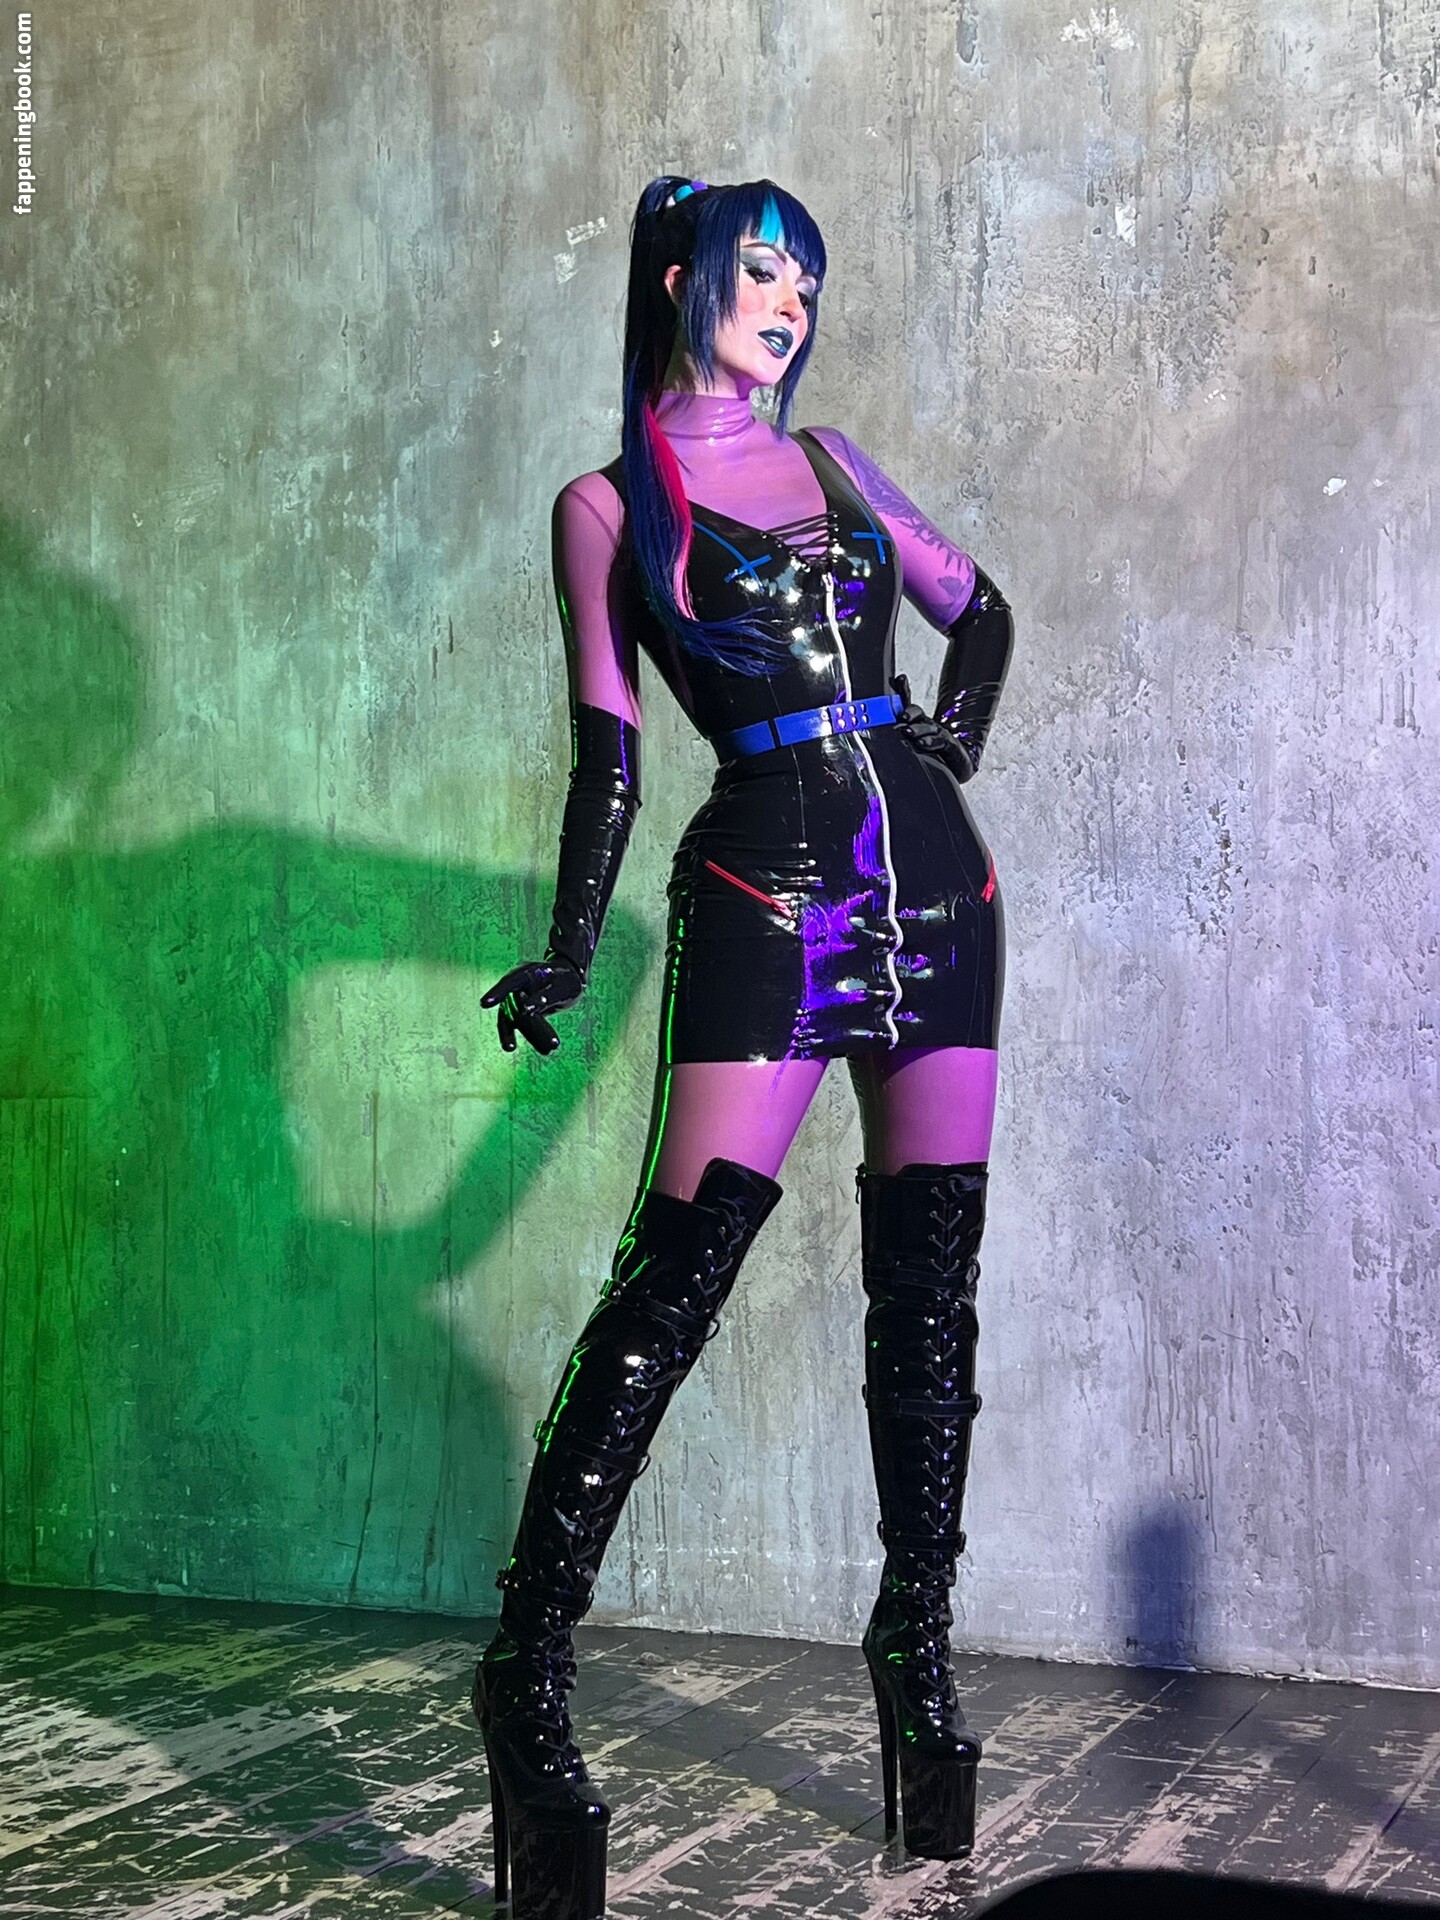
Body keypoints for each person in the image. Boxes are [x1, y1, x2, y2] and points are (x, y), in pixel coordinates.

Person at [473, 174, 1013, 1919]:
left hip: (938, 888)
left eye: (807, 283)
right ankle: (525, 1676)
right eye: (761, 271)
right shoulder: (608, 507)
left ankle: (914, 1644)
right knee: (675, 1282)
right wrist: (572, 945)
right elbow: (610, 756)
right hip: (764, 889)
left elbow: (983, 610)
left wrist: (954, 732)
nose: (789, 304)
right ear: (680, 278)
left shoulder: (841, 465)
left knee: (932, 1287)